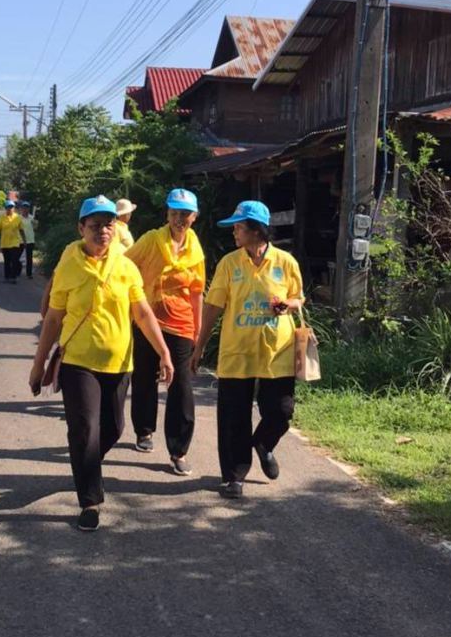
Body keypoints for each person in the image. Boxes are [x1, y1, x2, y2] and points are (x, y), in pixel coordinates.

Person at [29, 195, 175, 532]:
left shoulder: (125, 266)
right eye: (94, 225)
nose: (103, 231)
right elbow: (53, 319)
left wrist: (164, 352)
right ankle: (90, 501)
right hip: (78, 361)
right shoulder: (69, 265)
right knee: (84, 429)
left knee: (114, 429)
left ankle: (86, 464)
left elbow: (142, 313)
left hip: (119, 363)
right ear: (81, 228)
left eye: (108, 224)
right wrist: (38, 365)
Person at [192, 200, 304, 499]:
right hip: (237, 351)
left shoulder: (285, 262)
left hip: (276, 352)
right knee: (234, 417)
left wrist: (288, 304)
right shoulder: (229, 264)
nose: (234, 233)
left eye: (238, 227)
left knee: (281, 411)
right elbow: (213, 307)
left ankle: (264, 443)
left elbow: (298, 298)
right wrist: (199, 345)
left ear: (256, 230)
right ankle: (234, 476)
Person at [125, 188, 205, 476]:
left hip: (181, 323)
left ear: (194, 217)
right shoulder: (151, 240)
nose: (179, 218)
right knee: (144, 376)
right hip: (148, 320)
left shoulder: (195, 249)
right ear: (167, 214)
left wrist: (198, 331)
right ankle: (144, 430)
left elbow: (196, 292)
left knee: (181, 385)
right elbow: (125, 265)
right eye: (174, 212)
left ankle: (178, 450)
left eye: (185, 214)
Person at [0, 198, 24, 283]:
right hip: (5, 243)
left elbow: (21, 229)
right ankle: (7, 277)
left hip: (15, 242)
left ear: (14, 208)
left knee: (14, 260)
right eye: (8, 207)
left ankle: (13, 277)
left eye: (12, 207)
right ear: (6, 208)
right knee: (7, 261)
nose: (10, 209)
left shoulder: (18, 217)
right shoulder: (2, 217)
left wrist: (24, 240)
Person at [19, 201, 37, 280]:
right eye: (24, 207)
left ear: (29, 209)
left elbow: (35, 228)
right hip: (20, 240)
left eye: (26, 207)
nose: (25, 209)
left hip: (30, 240)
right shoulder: (18, 218)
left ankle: (29, 274)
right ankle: (17, 271)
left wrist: (35, 223)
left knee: (29, 258)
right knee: (18, 257)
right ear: (21, 209)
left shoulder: (31, 218)